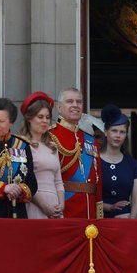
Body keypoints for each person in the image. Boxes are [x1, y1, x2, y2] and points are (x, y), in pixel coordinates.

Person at [49, 87, 103, 219]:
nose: (75, 105)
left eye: (79, 102)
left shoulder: (91, 140)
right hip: (64, 208)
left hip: (89, 210)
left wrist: (98, 212)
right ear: (59, 107)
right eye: (70, 101)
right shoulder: (50, 136)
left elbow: (98, 180)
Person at [19, 91, 65, 219]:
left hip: (55, 205)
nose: (45, 121)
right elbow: (24, 182)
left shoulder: (53, 146)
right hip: (34, 204)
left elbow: (58, 181)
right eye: (40, 117)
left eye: (47, 117)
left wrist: (61, 204)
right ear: (29, 118)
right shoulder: (22, 146)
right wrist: (44, 206)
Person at [100, 104, 137, 218]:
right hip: (98, 224)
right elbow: (89, 197)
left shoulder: (133, 164)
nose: (118, 135)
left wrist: (131, 225)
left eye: (122, 132)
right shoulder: (94, 161)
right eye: (114, 131)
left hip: (125, 221)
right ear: (105, 131)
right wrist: (109, 207)